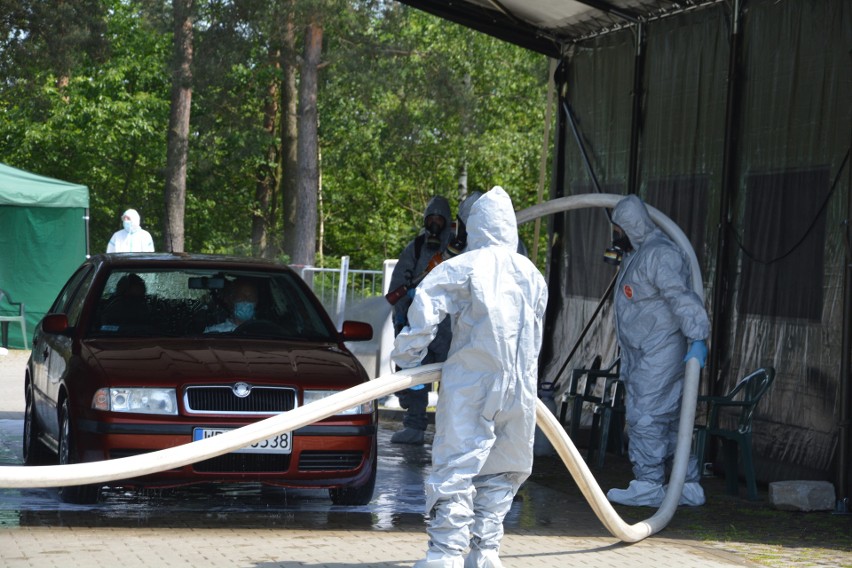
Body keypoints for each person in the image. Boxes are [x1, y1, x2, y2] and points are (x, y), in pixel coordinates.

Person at [392, 186, 548, 568]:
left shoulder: (465, 265)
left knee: (456, 465)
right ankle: (486, 551)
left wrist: (407, 357)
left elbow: (425, 305)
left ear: (475, 226)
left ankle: (445, 555)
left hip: (472, 383)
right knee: (504, 467)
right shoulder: (533, 274)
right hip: (520, 389)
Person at [605, 194, 710, 508]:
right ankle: (686, 484)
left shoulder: (659, 254)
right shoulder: (641, 255)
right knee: (672, 418)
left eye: (619, 229)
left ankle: (650, 484)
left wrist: (697, 337)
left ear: (631, 225)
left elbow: (680, 297)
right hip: (647, 350)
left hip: (659, 350)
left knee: (647, 417)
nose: (616, 237)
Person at [386, 196, 454, 445]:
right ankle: (414, 426)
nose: (434, 223)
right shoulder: (415, 249)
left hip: (449, 329)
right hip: (420, 326)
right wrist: (402, 317)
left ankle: (449, 432)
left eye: (439, 218)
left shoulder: (457, 249)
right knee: (414, 378)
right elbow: (398, 286)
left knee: (452, 381)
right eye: (431, 218)